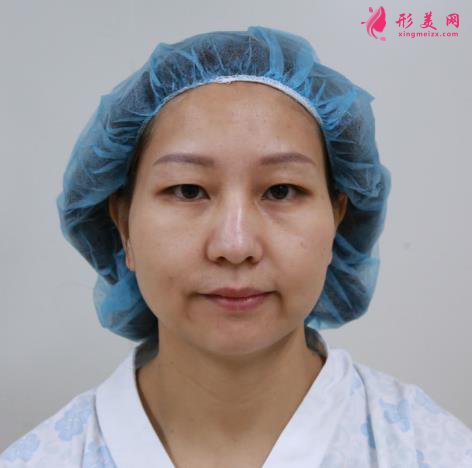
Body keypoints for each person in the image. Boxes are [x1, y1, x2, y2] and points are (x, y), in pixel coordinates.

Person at [2, 25, 471, 468]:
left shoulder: (433, 451)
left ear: (337, 219)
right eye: (188, 190)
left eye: (282, 190)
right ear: (124, 225)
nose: (235, 244)